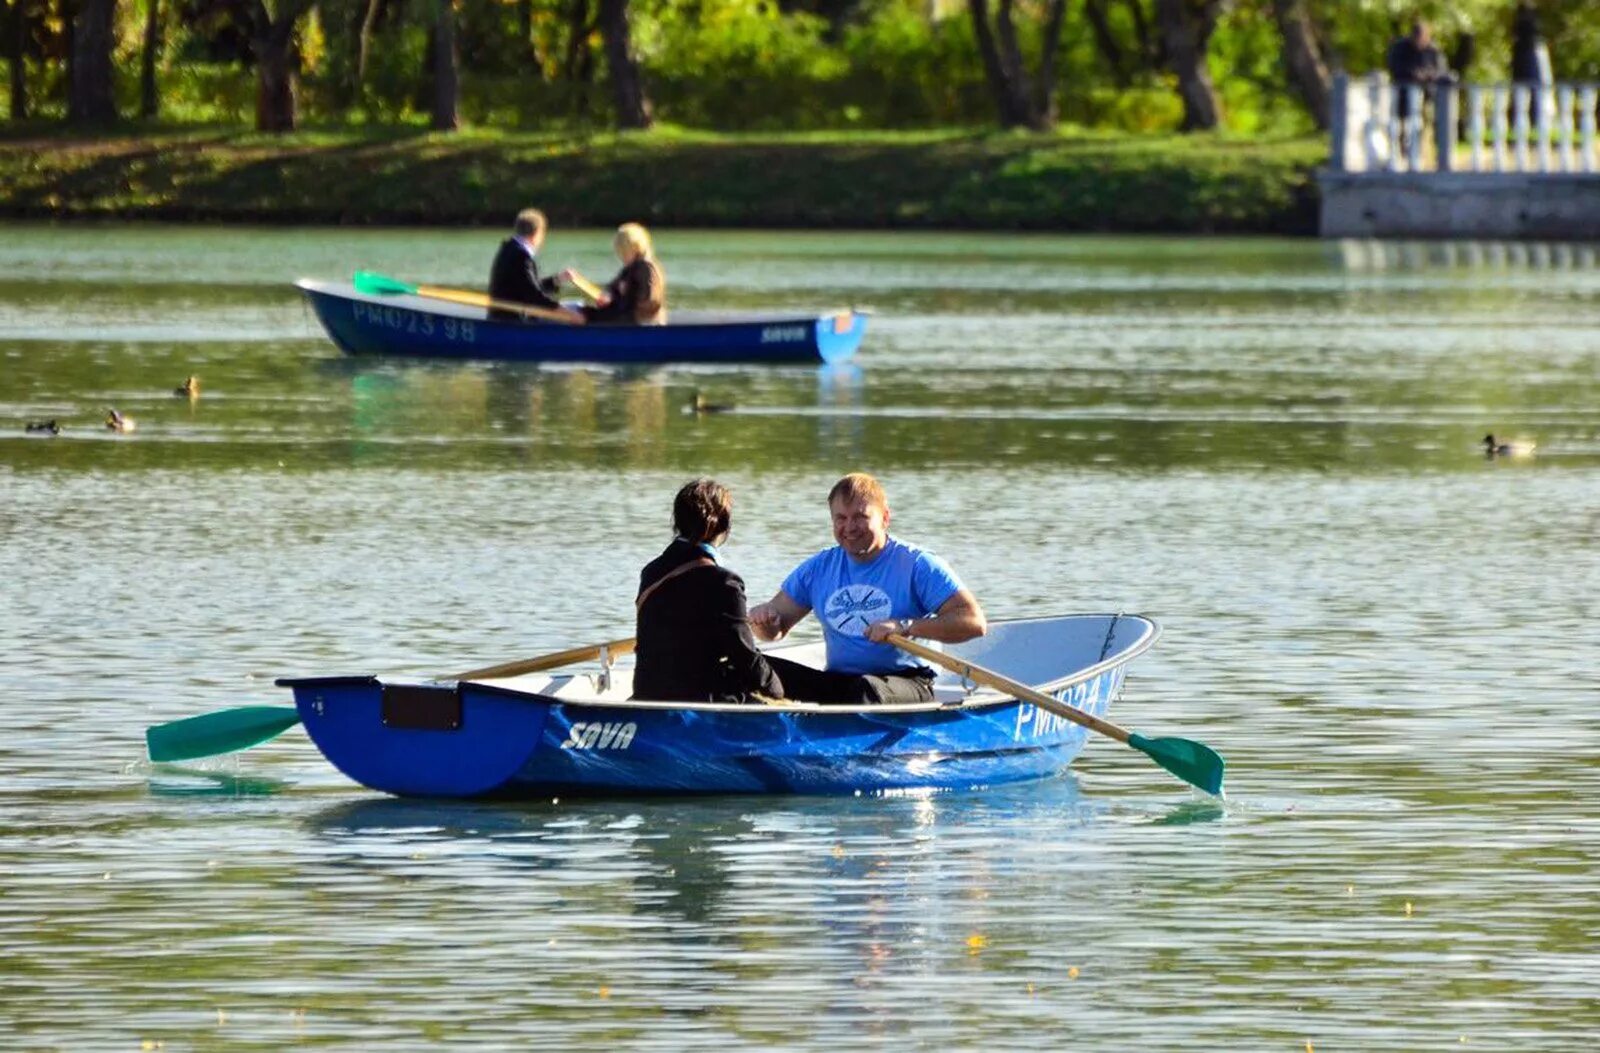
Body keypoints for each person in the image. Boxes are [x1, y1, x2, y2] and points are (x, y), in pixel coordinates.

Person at [748, 473, 986, 705]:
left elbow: (973, 622)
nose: (849, 527)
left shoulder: (918, 564)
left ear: (884, 518)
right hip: (839, 682)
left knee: (864, 690)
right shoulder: (818, 568)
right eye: (840, 518)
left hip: (907, 682)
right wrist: (765, 622)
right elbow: (773, 632)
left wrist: (905, 627)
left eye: (860, 517)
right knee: (749, 668)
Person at [632, 478, 784, 704]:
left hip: (646, 694)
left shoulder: (651, 572)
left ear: (678, 522)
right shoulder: (725, 583)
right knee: (773, 680)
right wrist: (779, 690)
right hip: (700, 701)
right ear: (723, 527)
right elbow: (744, 657)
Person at [487, 208, 582, 324]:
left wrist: (557, 280)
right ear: (537, 233)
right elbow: (534, 297)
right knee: (579, 307)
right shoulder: (522, 257)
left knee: (575, 306)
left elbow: (528, 288)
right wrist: (571, 315)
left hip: (505, 315)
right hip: (516, 319)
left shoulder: (508, 248)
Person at [564, 222, 667, 326]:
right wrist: (607, 296)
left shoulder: (644, 269)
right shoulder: (632, 268)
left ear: (635, 248)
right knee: (575, 307)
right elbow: (612, 289)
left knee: (573, 310)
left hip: (633, 321)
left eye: (623, 252)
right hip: (625, 317)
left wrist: (612, 300)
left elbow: (641, 304)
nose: (621, 256)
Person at [1386, 19, 1450, 144]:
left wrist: (1427, 75)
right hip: (1403, 97)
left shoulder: (1433, 51)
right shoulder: (1401, 48)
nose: (1419, 42)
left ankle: (1423, 148)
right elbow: (1395, 67)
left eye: (1422, 38)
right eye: (1417, 38)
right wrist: (1413, 74)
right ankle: (1403, 147)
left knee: (1426, 124)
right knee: (1403, 126)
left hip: (1427, 95)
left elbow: (1441, 71)